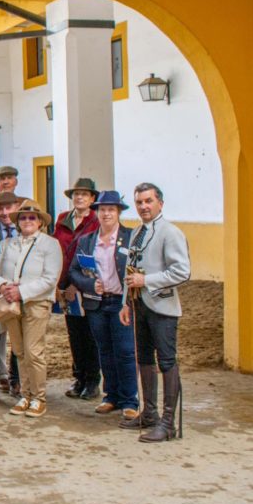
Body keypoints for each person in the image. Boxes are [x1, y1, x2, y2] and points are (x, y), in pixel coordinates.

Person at [120, 183, 191, 443]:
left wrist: (147, 280)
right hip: (139, 305)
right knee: (144, 359)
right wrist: (126, 302)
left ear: (160, 203)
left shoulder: (170, 233)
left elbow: (181, 272)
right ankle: (149, 412)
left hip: (163, 307)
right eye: (139, 202)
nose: (143, 206)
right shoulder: (137, 231)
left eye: (148, 201)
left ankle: (168, 423)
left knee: (167, 362)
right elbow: (130, 271)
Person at [68, 191, 139, 426]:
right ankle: (111, 396)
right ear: (96, 212)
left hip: (121, 304)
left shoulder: (130, 238)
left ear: (119, 212)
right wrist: (90, 284)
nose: (106, 213)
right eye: (102, 209)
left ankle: (130, 401)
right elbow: (74, 271)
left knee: (126, 352)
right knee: (104, 351)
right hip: (97, 303)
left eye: (111, 209)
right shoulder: (87, 240)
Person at [0, 200, 62, 418]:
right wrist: (3, 286)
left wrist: (22, 292)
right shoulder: (7, 244)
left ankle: (38, 397)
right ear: (18, 222)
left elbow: (50, 279)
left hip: (36, 303)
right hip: (11, 304)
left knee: (33, 351)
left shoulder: (50, 244)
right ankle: (25, 394)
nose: (27, 221)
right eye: (23, 218)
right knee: (19, 351)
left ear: (40, 221)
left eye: (32, 217)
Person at [54, 177, 102, 401]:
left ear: (93, 198)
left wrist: (77, 283)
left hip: (86, 284)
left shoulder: (96, 221)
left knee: (90, 333)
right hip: (64, 284)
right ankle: (79, 377)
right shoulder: (63, 219)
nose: (80, 197)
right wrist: (59, 283)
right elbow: (57, 249)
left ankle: (92, 380)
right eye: (76, 194)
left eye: (85, 194)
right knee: (74, 332)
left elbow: (94, 255)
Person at [0, 192, 23, 399]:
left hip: (20, 292)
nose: (4, 212)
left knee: (19, 339)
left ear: (16, 207)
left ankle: (16, 380)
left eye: (8, 207)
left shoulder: (26, 228)